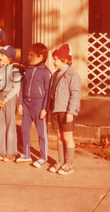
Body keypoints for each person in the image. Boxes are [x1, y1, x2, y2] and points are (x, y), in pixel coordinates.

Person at [47, 44, 81, 175]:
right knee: (59, 137)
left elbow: (75, 95)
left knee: (67, 137)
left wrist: (71, 112)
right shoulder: (55, 75)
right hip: (56, 110)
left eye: (56, 59)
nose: (53, 62)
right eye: (53, 59)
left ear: (65, 60)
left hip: (66, 111)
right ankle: (61, 161)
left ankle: (69, 164)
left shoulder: (73, 76)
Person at [17, 43, 51, 167]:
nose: (29, 57)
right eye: (28, 54)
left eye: (32, 55)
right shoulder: (28, 70)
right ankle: (26, 154)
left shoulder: (46, 72)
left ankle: (43, 157)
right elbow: (22, 87)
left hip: (39, 106)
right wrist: (20, 103)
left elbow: (48, 92)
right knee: (24, 129)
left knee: (42, 133)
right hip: (27, 104)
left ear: (40, 57)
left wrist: (44, 108)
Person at [0, 46, 21, 162]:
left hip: (9, 99)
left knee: (10, 125)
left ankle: (11, 152)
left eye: (2, 55)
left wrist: (6, 99)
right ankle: (1, 151)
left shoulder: (14, 70)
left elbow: (16, 87)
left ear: (9, 58)